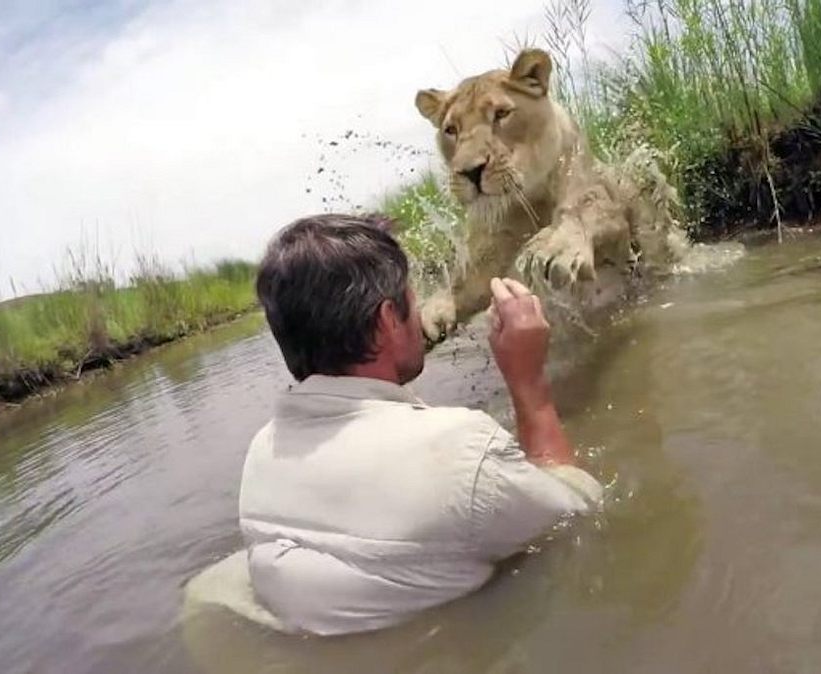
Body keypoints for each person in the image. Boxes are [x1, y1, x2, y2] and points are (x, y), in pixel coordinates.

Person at [236, 213, 602, 636]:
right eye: (414, 299)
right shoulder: (462, 452)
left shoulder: (261, 452)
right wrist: (529, 382)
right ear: (389, 319)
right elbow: (579, 509)